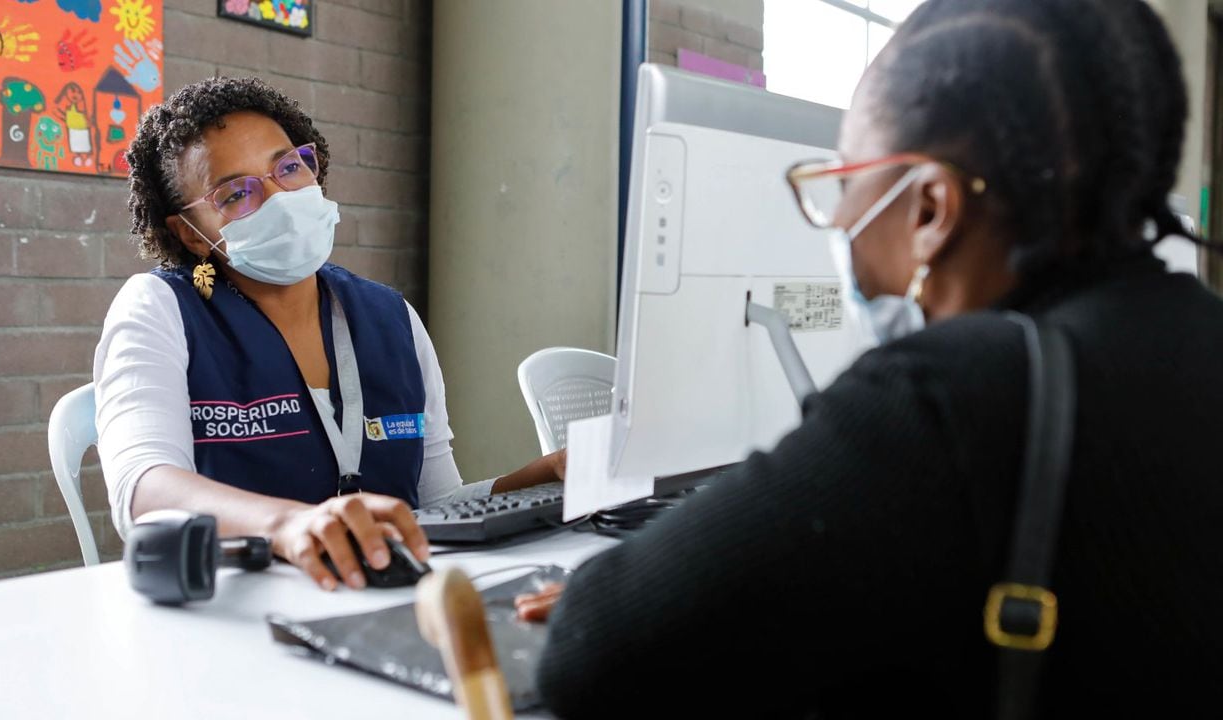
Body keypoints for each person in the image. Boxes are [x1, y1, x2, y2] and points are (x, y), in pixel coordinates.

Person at [526, 0, 1223, 716]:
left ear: (929, 210)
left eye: (843, 187)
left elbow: (595, 648)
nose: (837, 224)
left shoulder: (948, 395)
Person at [94, 77, 565, 591]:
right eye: (236, 193)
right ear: (190, 232)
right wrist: (286, 524)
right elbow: (141, 490)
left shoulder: (392, 318)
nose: (279, 197)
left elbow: (432, 506)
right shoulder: (162, 309)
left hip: (382, 599)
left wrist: (538, 480)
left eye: (289, 167)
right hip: (245, 612)